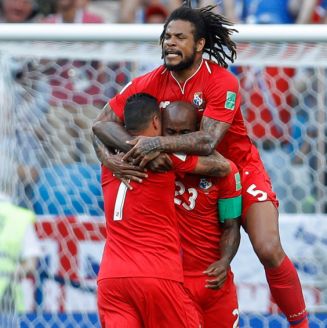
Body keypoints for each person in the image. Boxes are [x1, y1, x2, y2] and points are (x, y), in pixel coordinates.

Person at [92, 3, 308, 327]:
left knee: (267, 247)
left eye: (180, 37)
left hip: (236, 165)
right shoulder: (149, 81)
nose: (170, 43)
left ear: (201, 44)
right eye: (167, 36)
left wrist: (156, 143)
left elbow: (208, 141)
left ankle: (301, 323)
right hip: (185, 170)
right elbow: (102, 123)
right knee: (182, 260)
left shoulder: (222, 82)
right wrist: (107, 155)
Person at [97, 93, 230, 328]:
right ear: (157, 122)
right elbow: (221, 167)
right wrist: (171, 143)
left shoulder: (108, 162)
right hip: (156, 274)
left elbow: (98, 127)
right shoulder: (162, 158)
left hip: (111, 279)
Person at [162, 101, 242, 328]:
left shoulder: (227, 172)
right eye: (171, 132)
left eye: (185, 133)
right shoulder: (157, 165)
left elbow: (231, 225)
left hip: (214, 283)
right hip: (174, 284)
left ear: (198, 131)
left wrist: (225, 261)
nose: (177, 140)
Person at [0, 192, 42, 315]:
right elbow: (31, 264)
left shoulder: (19, 217)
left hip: (7, 300)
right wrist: (16, 271)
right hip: (8, 301)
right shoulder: (19, 217)